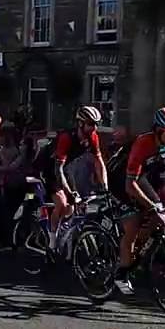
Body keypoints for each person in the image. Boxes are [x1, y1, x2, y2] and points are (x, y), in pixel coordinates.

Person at [113, 107, 165, 296]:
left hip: (140, 178)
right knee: (133, 224)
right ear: (158, 131)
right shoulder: (143, 143)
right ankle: (122, 273)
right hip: (121, 181)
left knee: (161, 219)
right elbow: (129, 186)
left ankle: (136, 257)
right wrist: (150, 207)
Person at [48, 106, 109, 253]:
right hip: (49, 169)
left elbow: (99, 162)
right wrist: (70, 192)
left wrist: (105, 186)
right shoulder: (67, 137)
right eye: (90, 124)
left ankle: (66, 242)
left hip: (66, 168)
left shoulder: (93, 136)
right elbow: (58, 169)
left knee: (72, 208)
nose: (94, 127)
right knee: (62, 203)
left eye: (96, 124)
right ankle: (52, 242)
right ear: (80, 123)